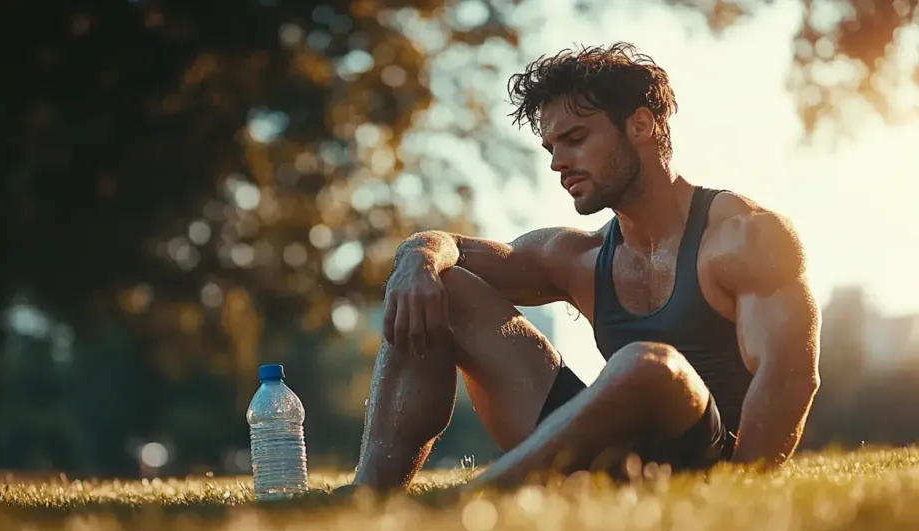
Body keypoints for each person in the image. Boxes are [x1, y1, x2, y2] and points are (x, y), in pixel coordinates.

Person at [343, 42, 821, 493]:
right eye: (551, 147)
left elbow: (789, 375)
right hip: (607, 458)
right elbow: (453, 249)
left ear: (640, 126)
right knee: (438, 285)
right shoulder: (578, 256)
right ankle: (369, 493)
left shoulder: (745, 236)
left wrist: (739, 490)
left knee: (648, 365)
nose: (557, 164)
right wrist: (417, 258)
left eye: (574, 139)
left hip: (707, 460)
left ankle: (477, 496)